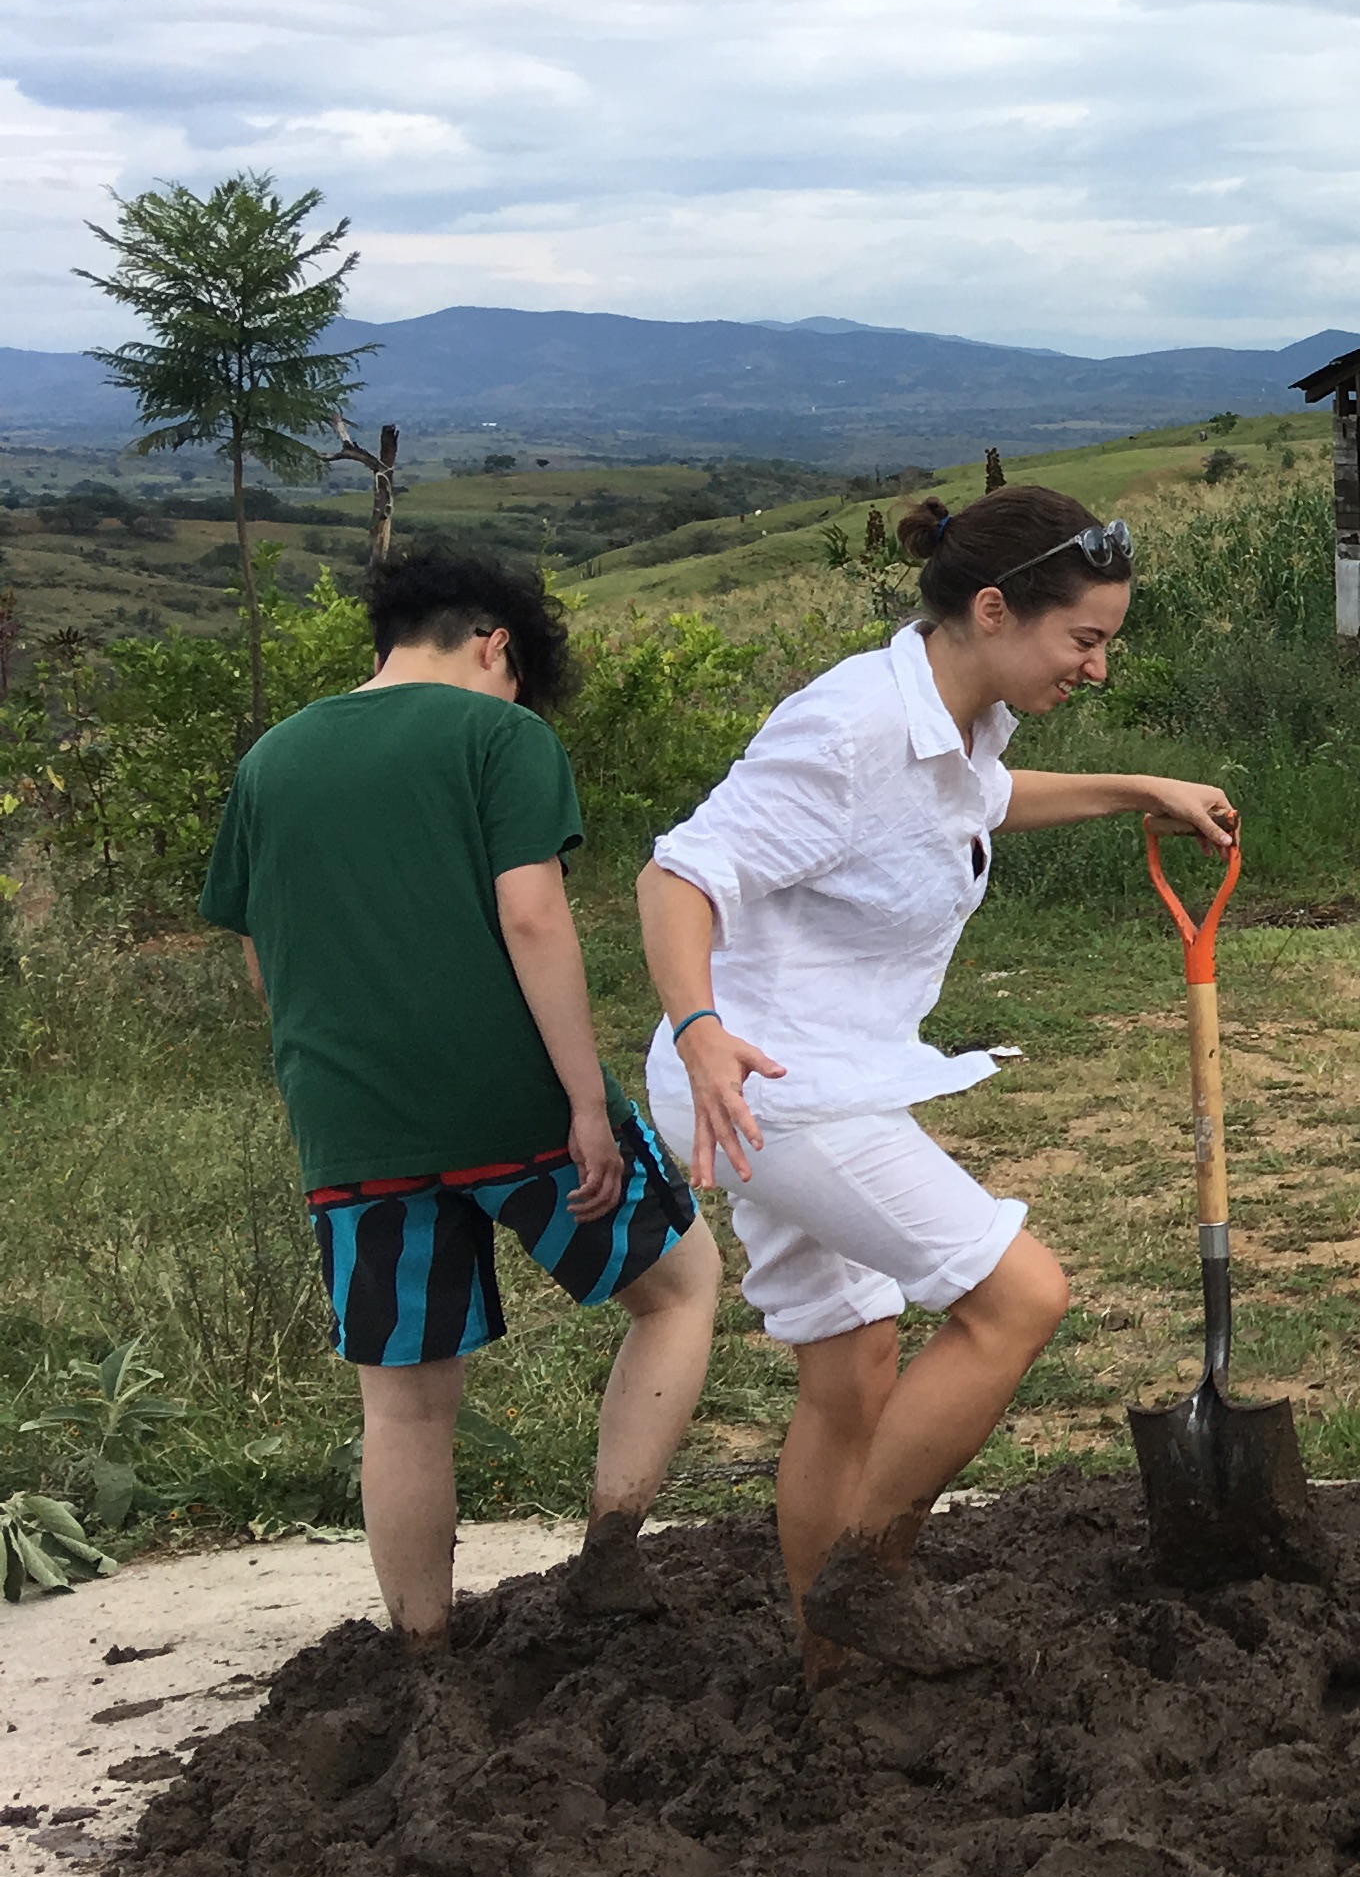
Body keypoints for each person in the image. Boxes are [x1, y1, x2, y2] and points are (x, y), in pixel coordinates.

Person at [636, 488, 1233, 1677]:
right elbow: (678, 878)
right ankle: (870, 1572)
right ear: (996, 609)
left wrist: (1136, 790)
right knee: (1018, 1297)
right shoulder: (851, 725)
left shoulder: (960, 719)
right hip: (769, 1081)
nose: (1098, 668)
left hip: (828, 1073)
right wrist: (700, 1027)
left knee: (851, 1384)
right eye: (1084, 640)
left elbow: (973, 802)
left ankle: (834, 1678)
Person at [200, 548, 721, 1650]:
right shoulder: (500, 736)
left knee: (403, 1397)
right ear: (496, 646)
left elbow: (263, 961)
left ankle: (423, 1652)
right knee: (680, 1283)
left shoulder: (272, 761)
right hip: (511, 1101)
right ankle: (612, 1553)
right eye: (518, 671)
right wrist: (586, 1100)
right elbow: (533, 918)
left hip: (351, 1125)